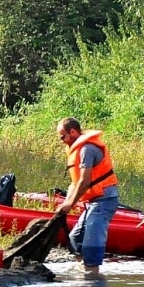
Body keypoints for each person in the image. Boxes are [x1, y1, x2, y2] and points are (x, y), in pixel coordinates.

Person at [53, 117, 119, 277]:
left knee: (91, 243)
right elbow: (74, 183)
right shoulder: (76, 150)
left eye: (63, 136)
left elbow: (84, 181)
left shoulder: (87, 149)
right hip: (93, 202)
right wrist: (67, 203)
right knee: (75, 239)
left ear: (73, 132)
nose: (62, 141)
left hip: (105, 200)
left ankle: (93, 278)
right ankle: (85, 272)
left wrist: (71, 204)